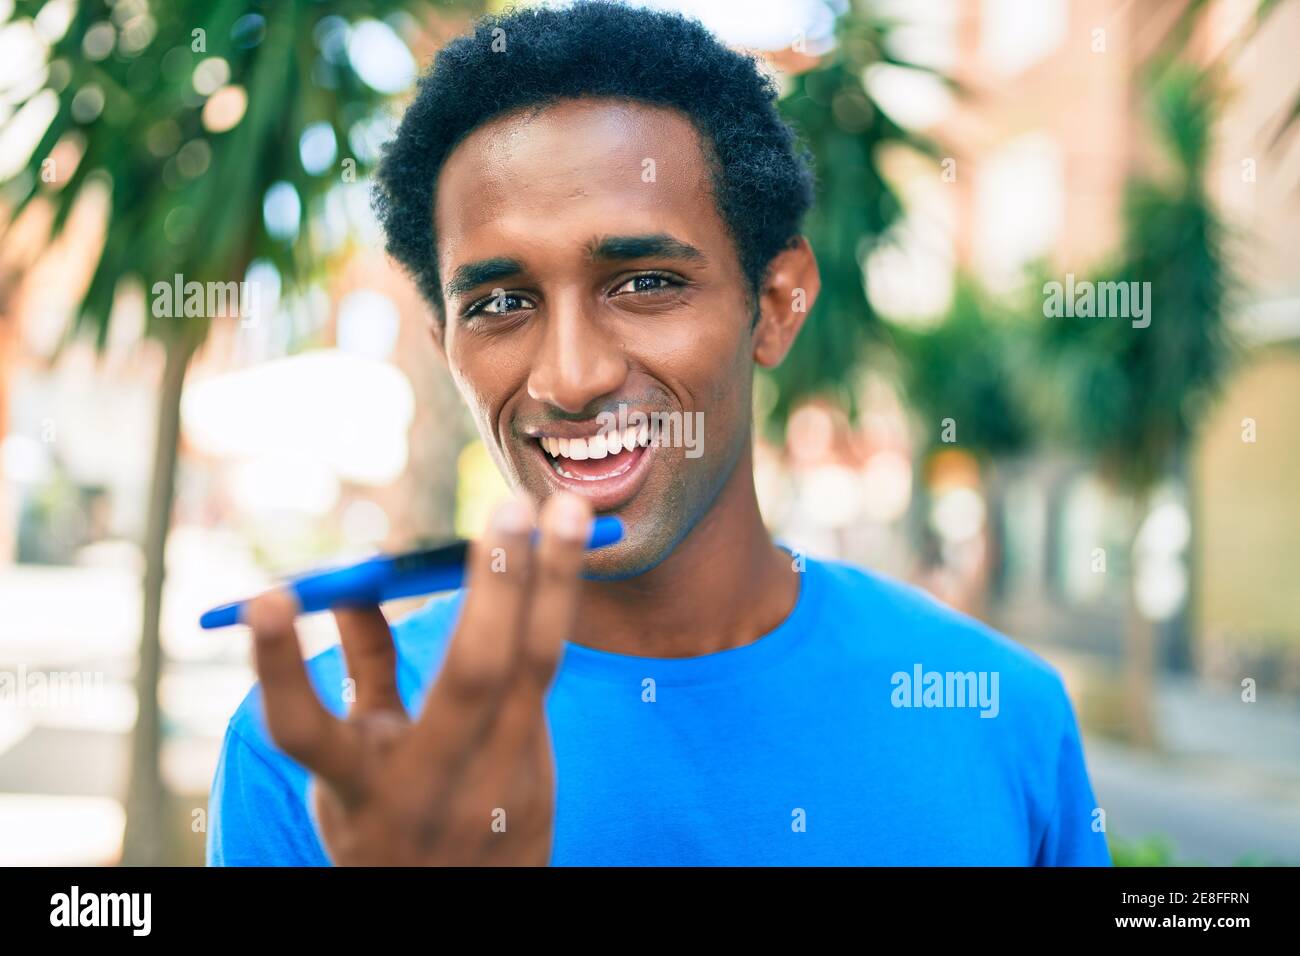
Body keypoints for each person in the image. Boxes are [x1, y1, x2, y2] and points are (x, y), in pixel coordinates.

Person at [207, 0, 1111, 866]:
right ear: (446, 347)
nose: (572, 376)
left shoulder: (1001, 712)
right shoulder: (315, 758)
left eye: (643, 282)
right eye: (502, 303)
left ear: (777, 303)